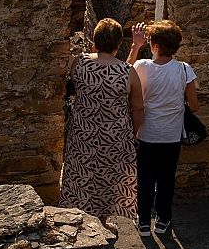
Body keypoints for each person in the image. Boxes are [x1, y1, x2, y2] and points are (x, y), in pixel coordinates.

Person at [60, 18, 142, 228]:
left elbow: (70, 88)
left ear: (95, 40)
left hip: (83, 133)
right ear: (117, 44)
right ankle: (102, 222)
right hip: (115, 136)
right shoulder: (127, 72)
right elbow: (138, 108)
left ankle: (79, 222)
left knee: (82, 176)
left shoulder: (79, 63)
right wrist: (134, 131)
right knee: (108, 180)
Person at [126, 19, 199, 237]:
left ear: (155, 45)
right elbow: (194, 106)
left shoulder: (141, 67)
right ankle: (163, 219)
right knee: (167, 178)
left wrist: (135, 46)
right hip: (171, 135)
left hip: (146, 133)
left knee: (145, 178)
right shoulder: (184, 70)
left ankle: (144, 222)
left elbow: (122, 75)